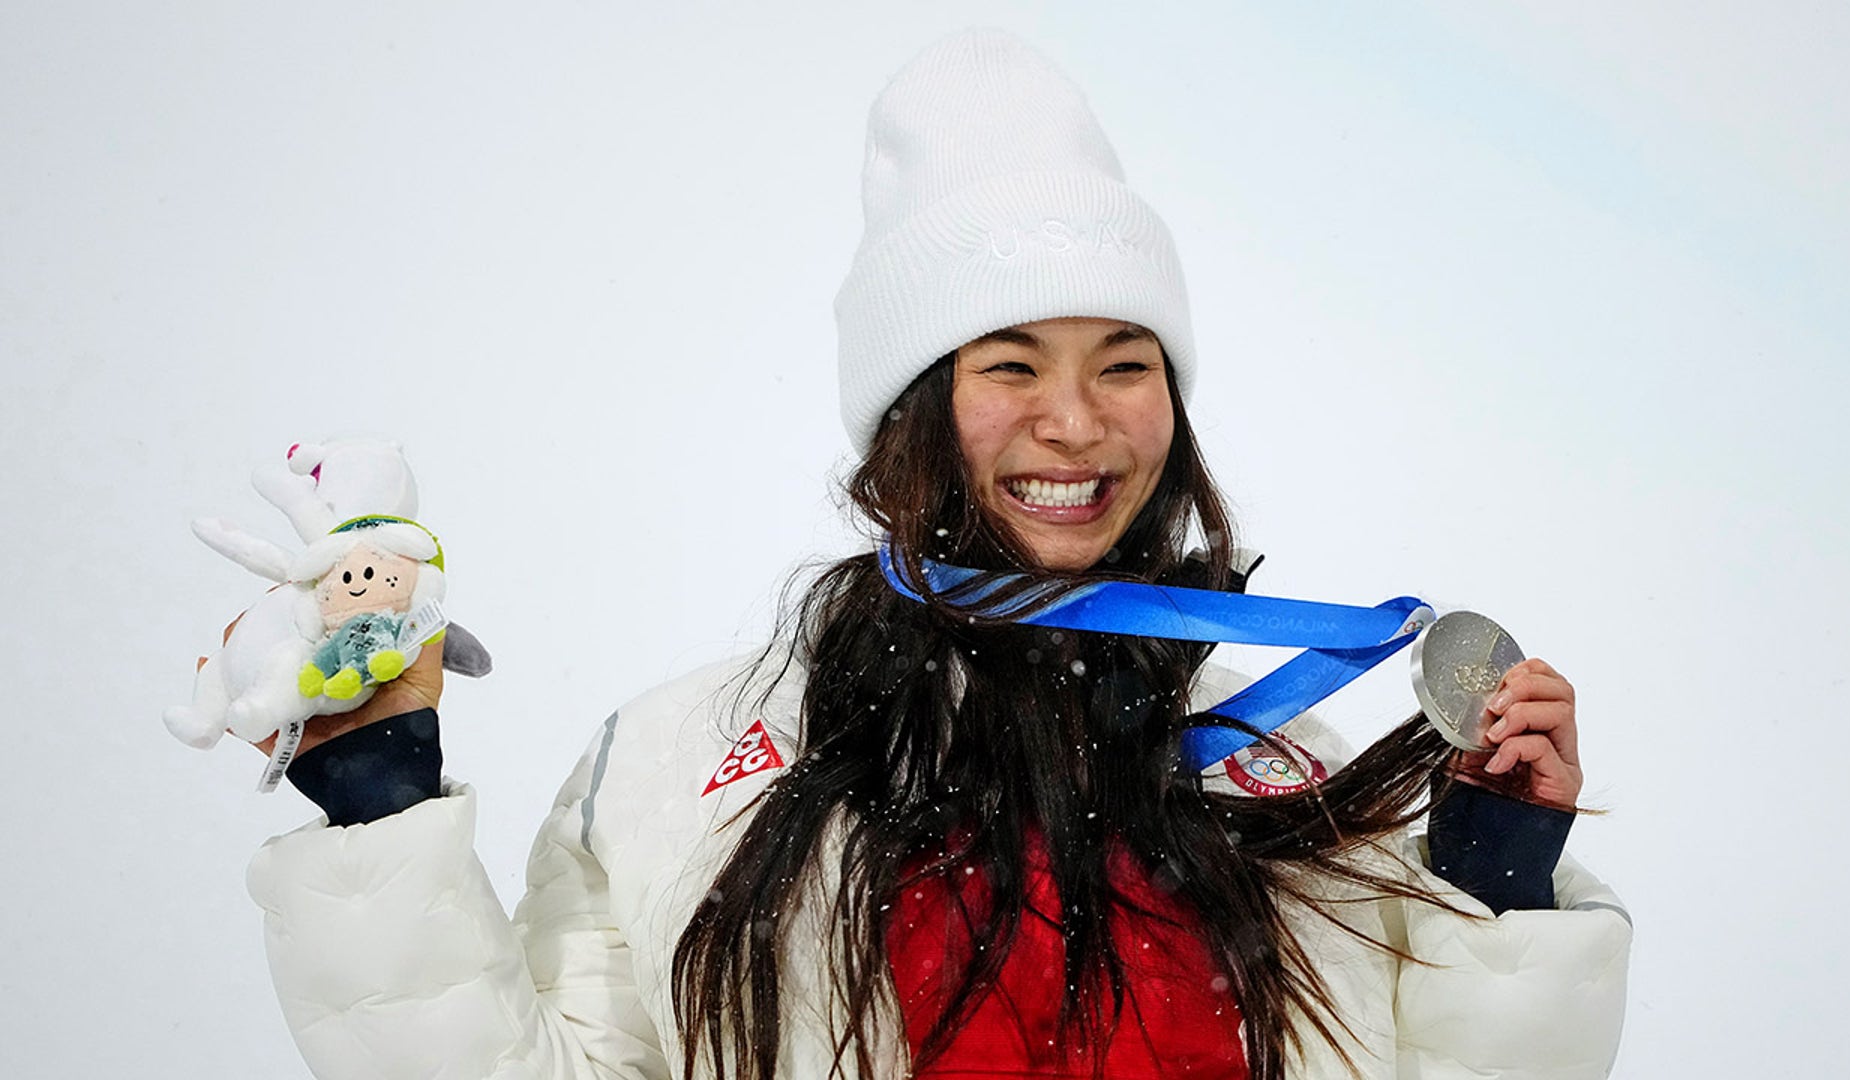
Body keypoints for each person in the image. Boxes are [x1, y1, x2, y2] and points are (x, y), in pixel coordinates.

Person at [239, 30, 1631, 1080]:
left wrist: (1499, 883)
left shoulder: (1294, 770)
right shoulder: (681, 767)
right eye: (1010, 363)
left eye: (1124, 363)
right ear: (911, 410)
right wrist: (379, 814)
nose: (1075, 422)